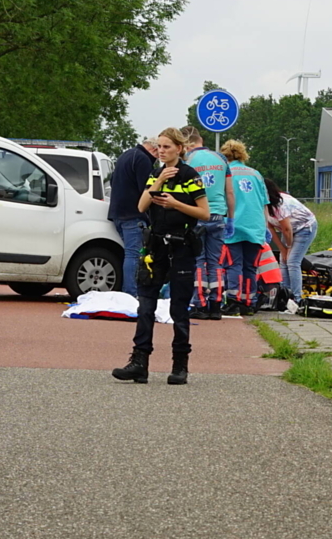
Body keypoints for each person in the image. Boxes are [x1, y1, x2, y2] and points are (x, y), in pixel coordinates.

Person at [112, 128, 209, 386]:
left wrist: (175, 204)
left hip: (182, 247)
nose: (161, 151)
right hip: (156, 247)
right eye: (159, 147)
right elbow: (142, 206)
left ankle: (180, 365)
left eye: (167, 147)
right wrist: (157, 182)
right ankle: (139, 363)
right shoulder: (156, 173)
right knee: (145, 305)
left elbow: (205, 213)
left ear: (180, 148)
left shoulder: (190, 176)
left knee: (178, 307)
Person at [183, 125, 236, 320]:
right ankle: (215, 305)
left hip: (197, 215)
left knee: (198, 261)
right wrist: (231, 218)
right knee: (216, 262)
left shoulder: (188, 161)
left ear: (188, 144)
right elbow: (230, 192)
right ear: (201, 141)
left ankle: (199, 305)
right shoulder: (221, 159)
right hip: (218, 216)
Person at [219, 140, 268, 315]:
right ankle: (249, 302)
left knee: (233, 265)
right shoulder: (256, 174)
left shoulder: (225, 173)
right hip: (255, 226)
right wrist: (265, 227)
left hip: (233, 224)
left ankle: (233, 300)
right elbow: (264, 203)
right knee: (250, 266)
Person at [107, 138, 158, 296]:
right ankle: (131, 292)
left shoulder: (126, 155)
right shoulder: (143, 160)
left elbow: (112, 180)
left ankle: (129, 290)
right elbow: (147, 189)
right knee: (133, 254)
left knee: (129, 253)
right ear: (154, 150)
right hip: (133, 214)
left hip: (117, 213)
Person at [263, 178, 318, 305]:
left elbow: (287, 229)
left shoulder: (280, 204)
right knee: (283, 260)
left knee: (293, 261)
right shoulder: (263, 205)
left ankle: (296, 298)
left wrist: (288, 247)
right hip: (285, 229)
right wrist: (282, 249)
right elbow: (270, 227)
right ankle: (285, 294)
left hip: (304, 227)